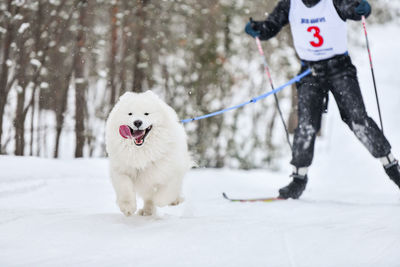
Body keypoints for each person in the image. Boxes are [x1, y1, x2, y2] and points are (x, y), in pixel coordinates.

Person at [245, 0, 400, 199]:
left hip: (340, 69)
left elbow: (354, 10)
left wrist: (362, 8)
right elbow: (270, 27)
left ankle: (393, 169)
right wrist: (257, 28)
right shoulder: (290, 4)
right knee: (306, 125)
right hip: (309, 71)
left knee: (358, 120)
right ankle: (298, 179)